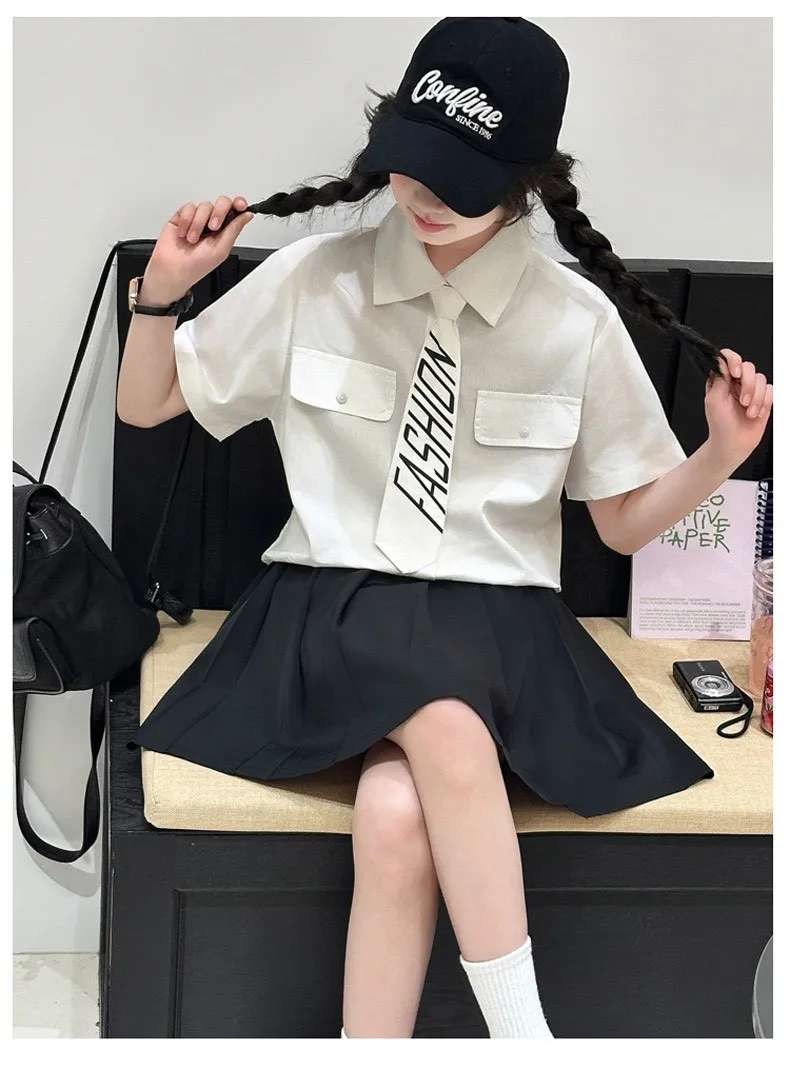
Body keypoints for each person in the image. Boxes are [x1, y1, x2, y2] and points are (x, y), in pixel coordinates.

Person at [118, 18, 772, 1040]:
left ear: (527, 183)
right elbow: (147, 403)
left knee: (394, 812)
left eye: (456, 182)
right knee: (446, 718)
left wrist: (719, 455)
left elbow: (620, 524)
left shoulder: (574, 321)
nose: (420, 198)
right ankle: (528, 1046)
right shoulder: (316, 278)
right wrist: (161, 293)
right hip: (331, 607)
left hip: (501, 627)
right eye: (411, 165)